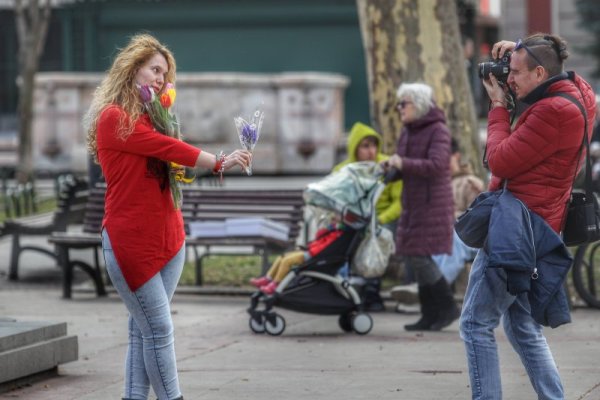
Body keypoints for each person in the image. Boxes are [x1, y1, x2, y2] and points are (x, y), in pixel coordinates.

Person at [85, 34, 251, 400]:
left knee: (141, 331)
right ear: (133, 68)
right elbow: (167, 148)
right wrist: (219, 160)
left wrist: (194, 167)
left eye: (165, 73)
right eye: (154, 69)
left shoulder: (156, 118)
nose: (160, 78)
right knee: (158, 330)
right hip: (132, 240)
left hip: (170, 236)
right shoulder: (115, 118)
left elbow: (175, 163)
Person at [460, 33, 596, 399]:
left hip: (517, 228)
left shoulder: (552, 112)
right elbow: (560, 62)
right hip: (539, 223)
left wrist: (498, 106)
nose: (510, 79)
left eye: (516, 72)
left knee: (475, 324)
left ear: (539, 73)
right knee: (521, 324)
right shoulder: (578, 94)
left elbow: (500, 159)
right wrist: (518, 46)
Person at [381, 82, 458, 331]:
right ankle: (429, 314)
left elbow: (437, 165)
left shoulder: (438, 130)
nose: (399, 108)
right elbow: (406, 164)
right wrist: (391, 169)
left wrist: (403, 163)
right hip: (414, 202)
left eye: (404, 103)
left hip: (431, 204)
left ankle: (446, 307)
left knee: (420, 256)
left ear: (420, 105)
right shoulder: (408, 131)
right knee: (414, 256)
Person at [333, 122, 403, 311]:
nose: (371, 151)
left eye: (373, 145)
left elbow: (399, 203)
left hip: (382, 219)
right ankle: (350, 289)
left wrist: (378, 220)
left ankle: (372, 292)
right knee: (343, 237)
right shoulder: (343, 170)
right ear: (355, 148)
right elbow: (335, 200)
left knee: (376, 237)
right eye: (365, 146)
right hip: (352, 220)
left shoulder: (388, 166)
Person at [432, 138, 483, 285]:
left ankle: (437, 286)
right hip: (443, 234)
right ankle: (427, 286)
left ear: (457, 156)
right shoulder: (436, 185)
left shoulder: (470, 182)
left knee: (453, 238)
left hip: (469, 238)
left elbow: (476, 221)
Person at [249, 218, 347, 295]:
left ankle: (276, 284)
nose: (333, 218)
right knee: (282, 257)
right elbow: (319, 237)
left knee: (287, 261)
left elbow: (325, 247)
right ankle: (268, 278)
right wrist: (328, 229)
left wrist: (311, 249)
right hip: (311, 250)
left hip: (314, 255)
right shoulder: (333, 231)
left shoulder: (338, 235)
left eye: (336, 218)